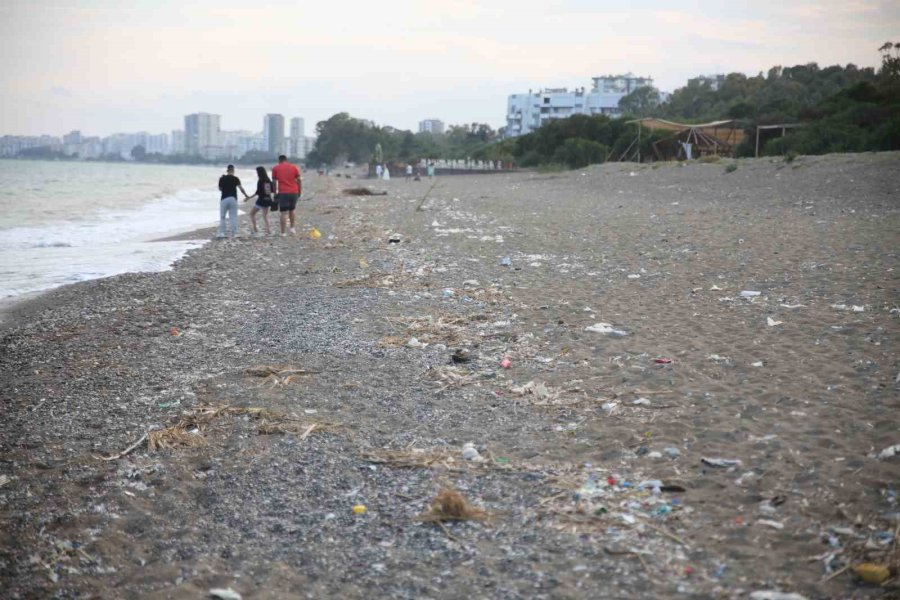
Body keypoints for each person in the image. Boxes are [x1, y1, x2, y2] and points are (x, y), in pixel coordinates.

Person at [272, 155, 301, 236]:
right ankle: (292, 228)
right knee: (292, 210)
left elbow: (274, 182)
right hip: (294, 192)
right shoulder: (294, 167)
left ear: (279, 160)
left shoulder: (275, 168)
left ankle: (283, 232)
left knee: (284, 212)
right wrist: (299, 191)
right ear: (286, 160)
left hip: (283, 192)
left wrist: (275, 193)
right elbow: (299, 180)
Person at [217, 165, 249, 238]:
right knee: (233, 217)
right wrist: (246, 195)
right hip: (233, 199)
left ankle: (222, 233)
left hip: (224, 199)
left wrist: (225, 187)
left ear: (227, 170)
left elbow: (220, 189)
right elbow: (241, 189)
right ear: (233, 170)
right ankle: (235, 233)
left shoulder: (222, 178)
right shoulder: (236, 178)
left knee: (222, 217)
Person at [244, 166, 275, 236]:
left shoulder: (260, 181)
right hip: (268, 200)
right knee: (265, 216)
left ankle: (255, 228)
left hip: (261, 200)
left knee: (252, 214)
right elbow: (272, 190)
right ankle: (268, 230)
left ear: (259, 173)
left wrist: (249, 198)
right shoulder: (268, 180)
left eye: (257, 172)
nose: (256, 173)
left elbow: (257, 192)